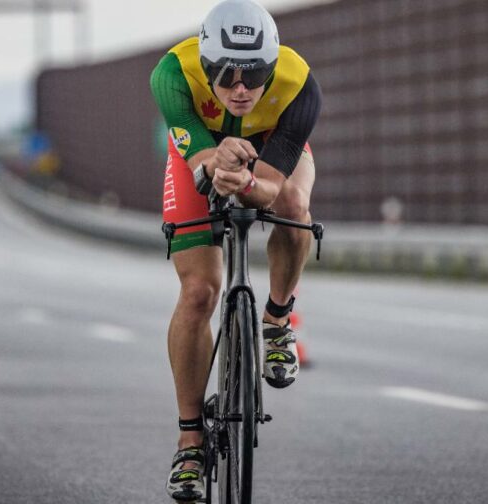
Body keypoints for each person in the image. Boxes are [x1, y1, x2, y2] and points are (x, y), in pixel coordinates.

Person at [149, 0, 321, 500]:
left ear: (273, 64)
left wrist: (245, 179)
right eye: (226, 76)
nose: (241, 88)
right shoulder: (173, 74)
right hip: (203, 151)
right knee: (200, 291)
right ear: (205, 66)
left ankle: (276, 321)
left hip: (267, 155)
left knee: (293, 203)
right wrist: (215, 165)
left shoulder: (298, 82)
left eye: (254, 75)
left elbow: (268, 188)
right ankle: (189, 442)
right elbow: (201, 166)